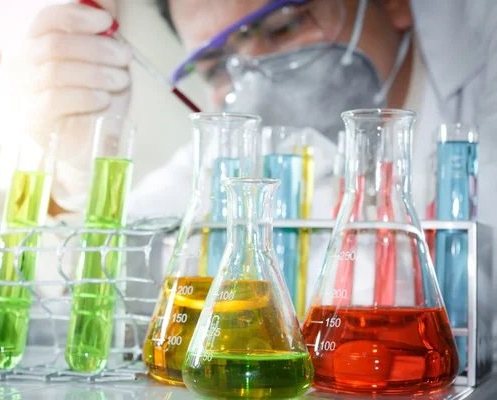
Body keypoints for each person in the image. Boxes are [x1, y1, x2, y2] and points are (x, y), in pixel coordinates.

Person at [26, 0, 496, 269]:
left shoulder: (485, 65)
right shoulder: (233, 150)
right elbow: (76, 280)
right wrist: (83, 177)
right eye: (216, 68)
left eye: (284, 26)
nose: (256, 78)